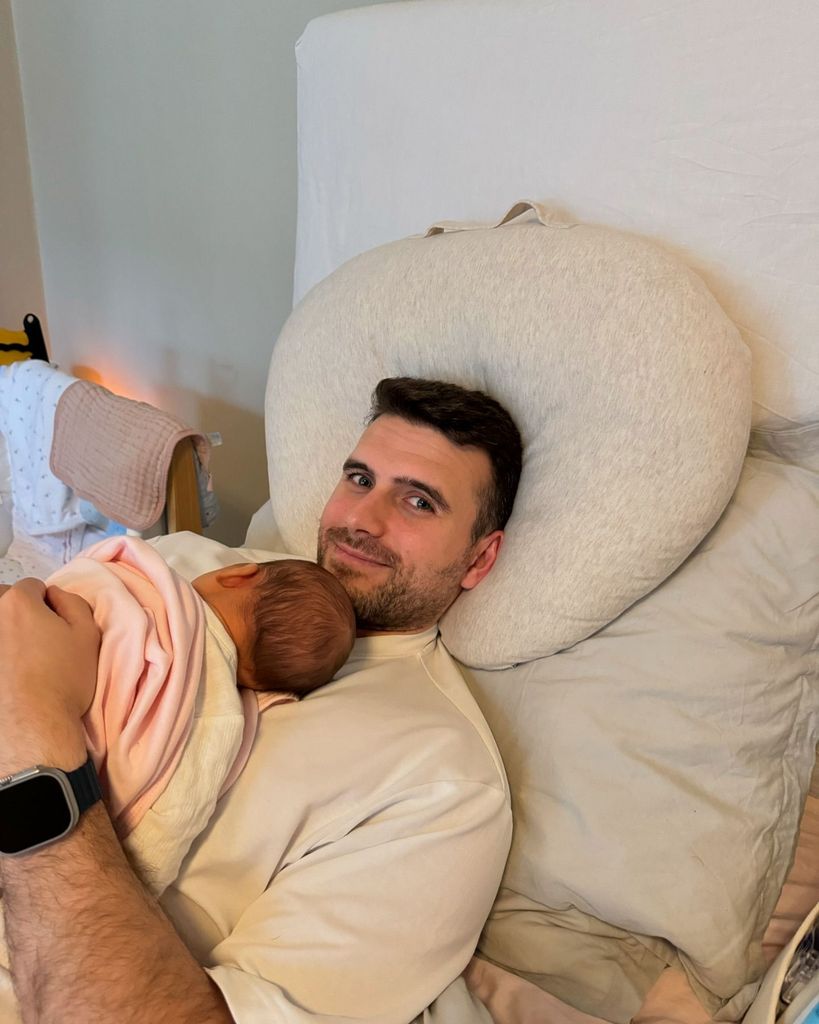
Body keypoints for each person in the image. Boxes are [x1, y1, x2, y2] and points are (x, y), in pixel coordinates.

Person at [0, 376, 523, 1024]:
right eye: (359, 479)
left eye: (418, 502)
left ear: (479, 559)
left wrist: (34, 726)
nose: (362, 519)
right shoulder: (189, 562)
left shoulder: (442, 784)